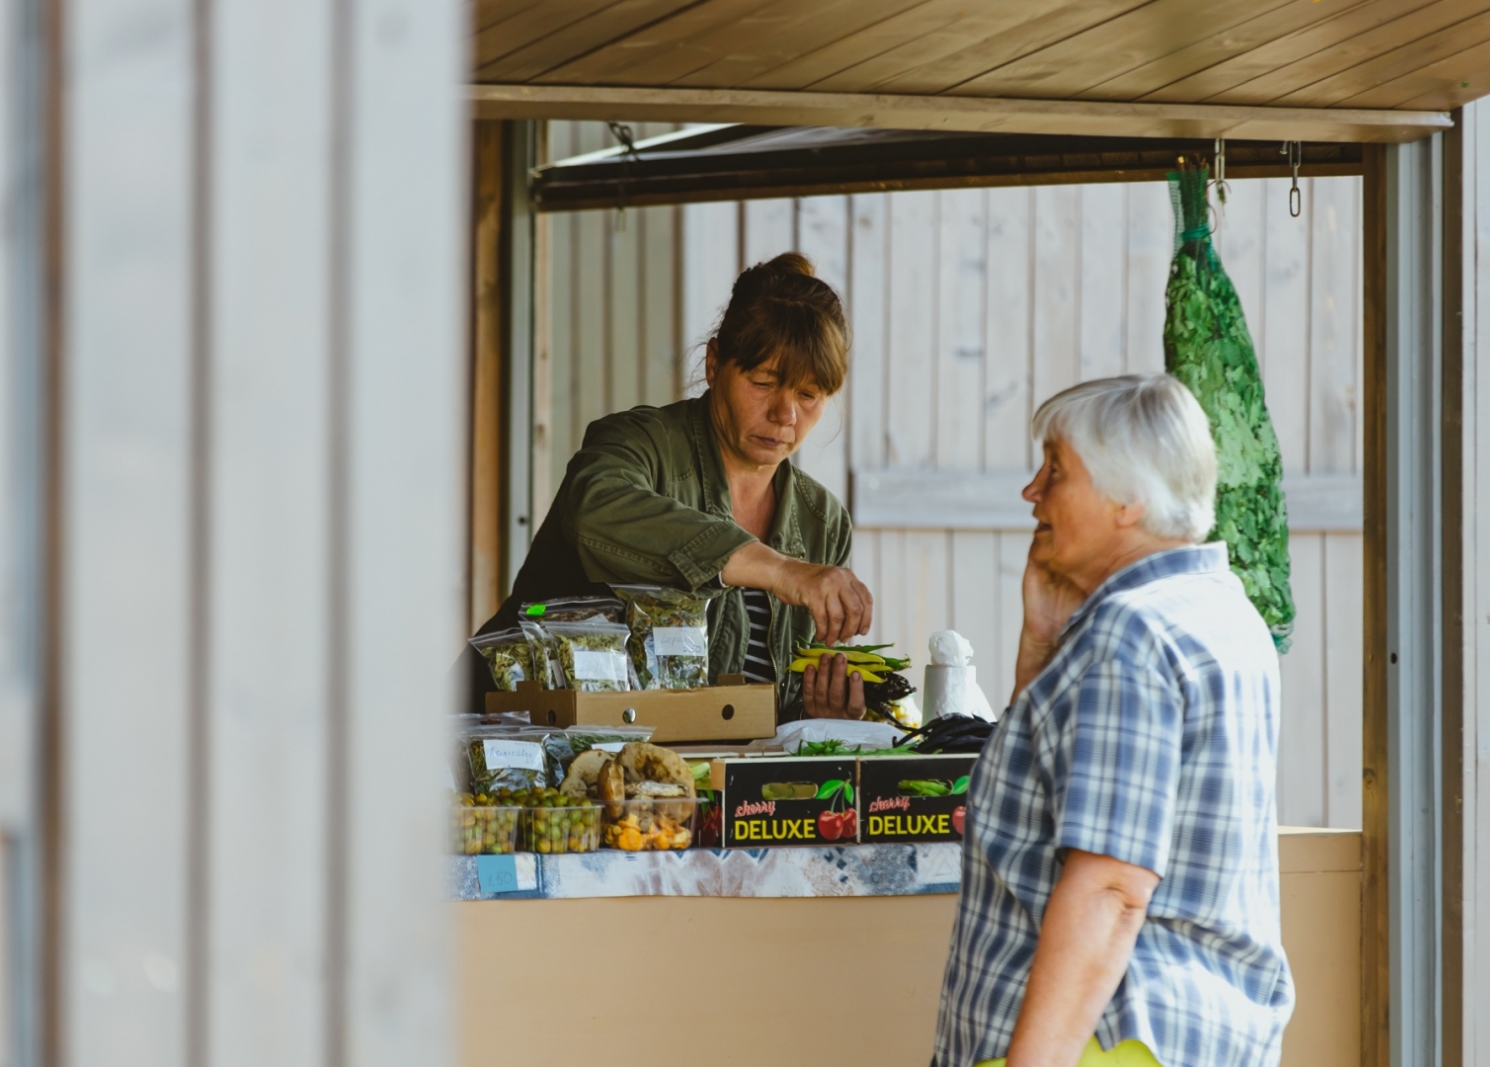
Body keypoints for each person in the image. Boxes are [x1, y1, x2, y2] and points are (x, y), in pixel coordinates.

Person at [933, 375, 1293, 1067]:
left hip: (1102, 1042)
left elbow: (1111, 888)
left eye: (1057, 469)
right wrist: (1042, 639)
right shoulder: (1223, 611)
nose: (1032, 490)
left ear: (1129, 500)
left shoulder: (1130, 634)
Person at [459, 252, 874, 722]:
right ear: (715, 363)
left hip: (687, 784)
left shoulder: (822, 522)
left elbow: (769, 710)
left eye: (809, 395)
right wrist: (777, 570)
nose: (786, 415)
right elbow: (594, 505)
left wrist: (822, 718)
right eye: (763, 382)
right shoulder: (638, 445)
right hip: (514, 746)